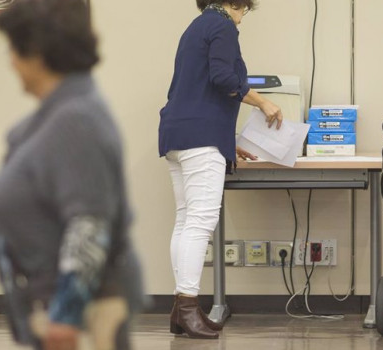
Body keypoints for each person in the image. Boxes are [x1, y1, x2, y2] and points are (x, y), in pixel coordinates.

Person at [0, 0, 143, 349]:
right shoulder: (57, 114)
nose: (10, 60)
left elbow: (89, 223)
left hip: (81, 315)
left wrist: (65, 317)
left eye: (13, 48)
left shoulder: (76, 120)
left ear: (38, 53)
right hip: (59, 306)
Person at [158, 0, 283, 339]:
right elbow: (223, 78)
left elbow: (194, 89)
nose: (242, 19)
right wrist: (264, 102)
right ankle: (186, 305)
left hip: (177, 134)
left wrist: (225, 137)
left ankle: (180, 309)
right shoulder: (223, 23)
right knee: (200, 221)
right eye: (244, 10)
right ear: (234, 3)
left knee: (186, 220)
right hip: (200, 137)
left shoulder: (195, 28)